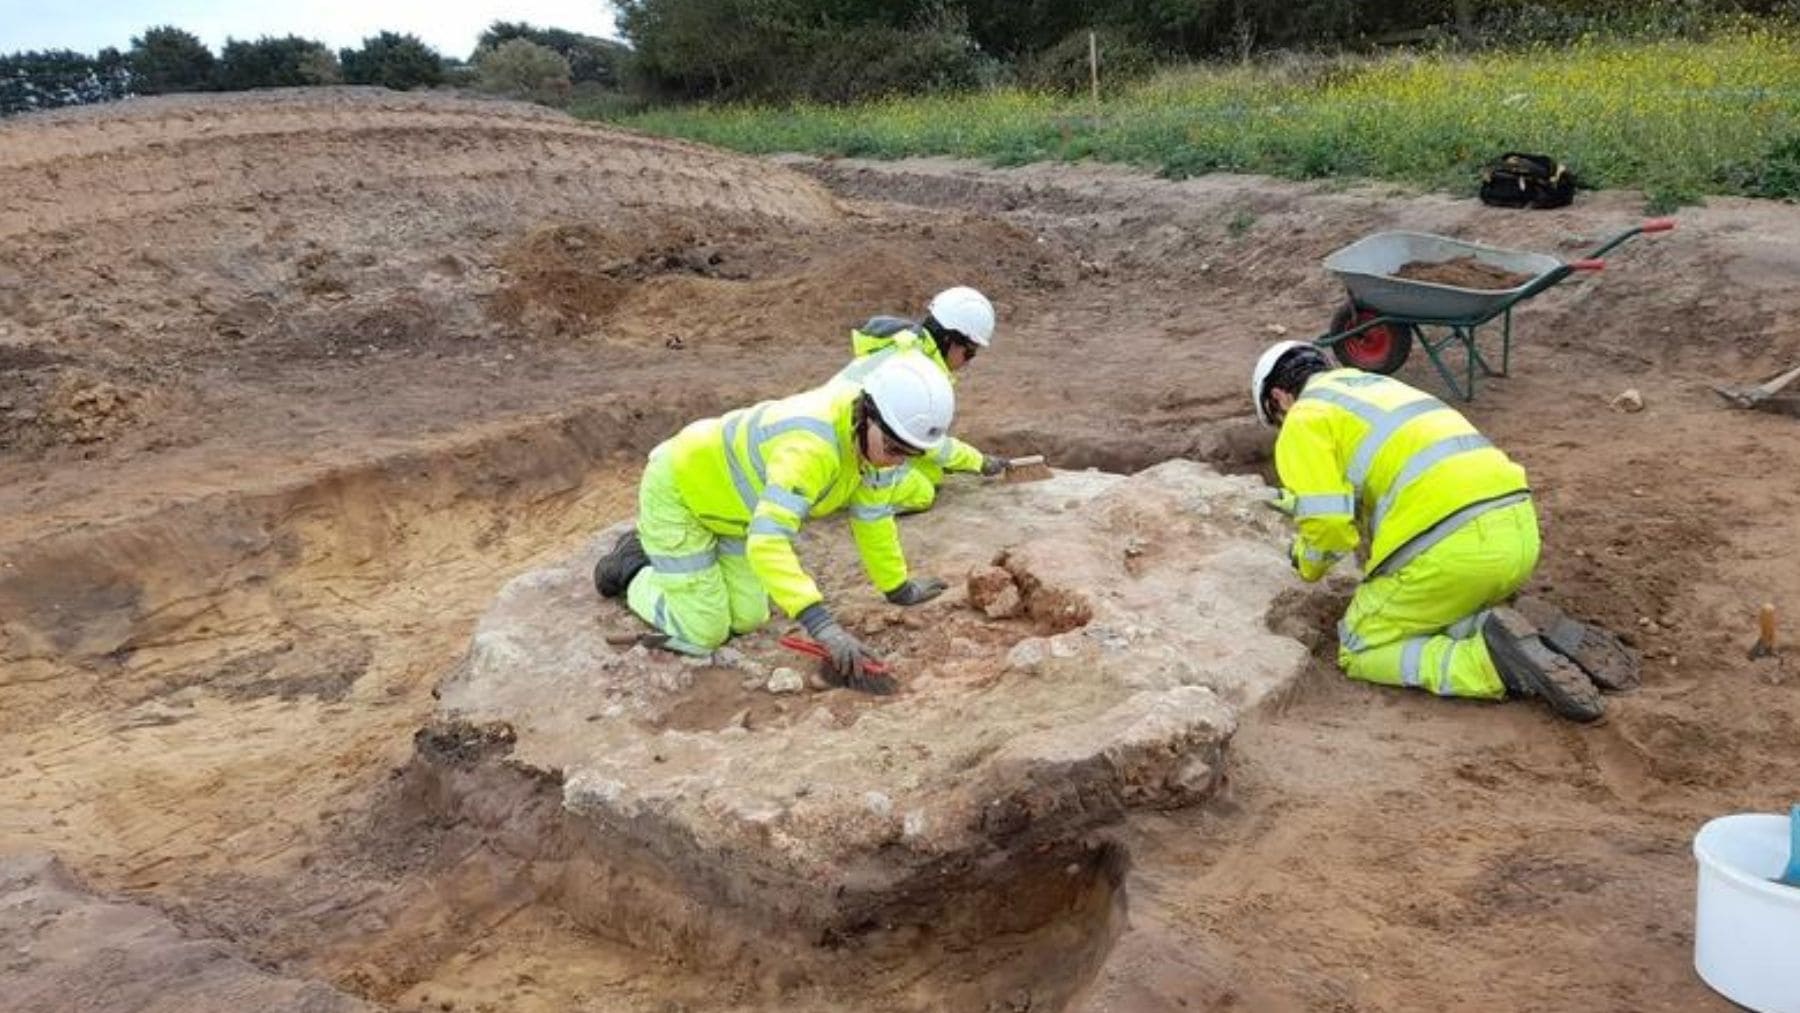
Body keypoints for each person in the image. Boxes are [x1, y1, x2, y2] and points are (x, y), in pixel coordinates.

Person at [1252, 340, 1606, 721]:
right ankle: (1521, 629)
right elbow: (1383, 473)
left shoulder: (1304, 418)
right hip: (1518, 536)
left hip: (1453, 554)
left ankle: (1487, 663)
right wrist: (1297, 502)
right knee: (1429, 608)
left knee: (1359, 645)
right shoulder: (1377, 390)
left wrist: (1307, 562)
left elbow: (1329, 528)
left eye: (1276, 420)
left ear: (1279, 398)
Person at [594, 353, 955, 692]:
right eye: (894, 450)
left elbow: (874, 519)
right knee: (704, 633)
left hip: (736, 514)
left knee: (748, 618)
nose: (898, 462)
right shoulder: (810, 448)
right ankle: (633, 565)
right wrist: (823, 626)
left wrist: (898, 588)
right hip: (682, 493)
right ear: (867, 415)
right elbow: (768, 542)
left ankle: (678, 567)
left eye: (910, 455)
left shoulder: (879, 448)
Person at [832, 286, 1010, 514]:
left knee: (931, 472)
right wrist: (978, 462)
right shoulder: (917, 370)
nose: (969, 361)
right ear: (950, 340)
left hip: (849, 436)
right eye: (970, 352)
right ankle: (844, 497)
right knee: (921, 491)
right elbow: (930, 444)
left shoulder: (905, 348)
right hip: (843, 451)